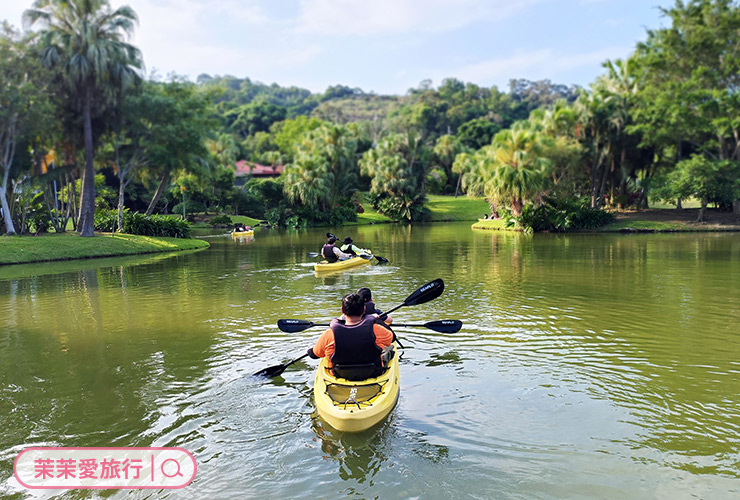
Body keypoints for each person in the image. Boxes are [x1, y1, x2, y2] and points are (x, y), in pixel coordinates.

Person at [307, 293, 394, 380]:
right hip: (373, 373)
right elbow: (391, 338)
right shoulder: (377, 330)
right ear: (364, 309)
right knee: (388, 350)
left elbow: (314, 354)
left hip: (339, 375)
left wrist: (310, 350)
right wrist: (376, 320)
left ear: (342, 310)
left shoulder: (329, 334)